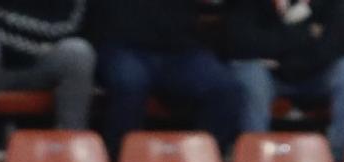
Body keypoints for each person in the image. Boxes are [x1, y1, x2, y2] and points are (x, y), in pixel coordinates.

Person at [91, 0, 244, 152]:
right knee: (130, 84)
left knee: (225, 88)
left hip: (179, 49)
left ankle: (198, 161)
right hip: (122, 46)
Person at [227, 0, 344, 162]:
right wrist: (307, 34)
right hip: (269, 76)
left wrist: (287, 60)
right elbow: (241, 42)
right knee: (249, 74)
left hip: (315, 72)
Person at [0, 0, 96, 131]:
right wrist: (34, 47)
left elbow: (70, 27)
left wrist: (25, 48)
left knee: (78, 52)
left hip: (34, 63)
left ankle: (69, 149)